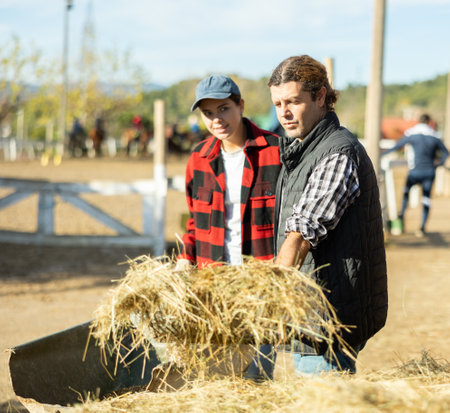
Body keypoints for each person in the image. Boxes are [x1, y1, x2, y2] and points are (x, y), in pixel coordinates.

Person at [268, 55, 388, 375]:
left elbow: (303, 229)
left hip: (329, 319)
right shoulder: (301, 149)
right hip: (311, 313)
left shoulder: (338, 150)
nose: (284, 112)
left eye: (293, 101)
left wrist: (270, 289)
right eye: (278, 103)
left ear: (321, 96)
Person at [176, 74, 282, 381]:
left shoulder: (276, 150)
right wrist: (185, 259)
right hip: (215, 282)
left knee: (258, 377)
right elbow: (195, 220)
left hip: (262, 284)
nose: (216, 119)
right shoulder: (198, 158)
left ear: (241, 106)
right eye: (208, 113)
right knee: (220, 376)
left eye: (223, 109)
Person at [382, 114, 448, 237]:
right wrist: (439, 164)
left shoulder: (412, 135)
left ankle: (401, 218)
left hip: (414, 171)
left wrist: (382, 154)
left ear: (419, 121)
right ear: (429, 122)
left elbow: (397, 146)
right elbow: (446, 153)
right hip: (429, 172)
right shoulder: (434, 137)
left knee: (405, 194)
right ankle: (422, 228)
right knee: (426, 199)